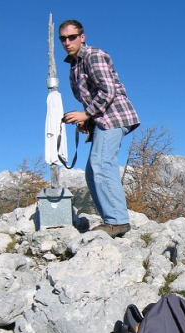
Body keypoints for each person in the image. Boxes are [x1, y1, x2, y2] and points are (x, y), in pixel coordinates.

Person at [59, 20, 140, 238]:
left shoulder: (93, 56)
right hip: (102, 119)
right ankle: (112, 220)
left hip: (115, 116)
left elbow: (108, 90)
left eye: (72, 37)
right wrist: (87, 121)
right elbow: (93, 95)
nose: (67, 42)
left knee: (101, 164)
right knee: (92, 172)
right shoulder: (74, 66)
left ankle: (117, 221)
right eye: (63, 39)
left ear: (82, 37)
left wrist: (86, 114)